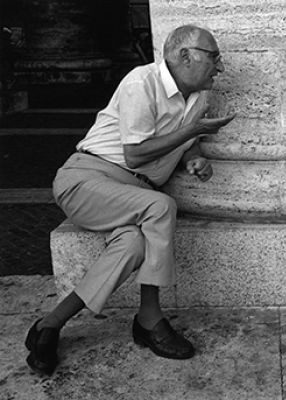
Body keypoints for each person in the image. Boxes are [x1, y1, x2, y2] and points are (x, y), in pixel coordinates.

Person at [25, 25, 235, 375]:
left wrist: (194, 157)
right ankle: (150, 318)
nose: (220, 67)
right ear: (185, 55)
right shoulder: (142, 82)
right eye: (214, 58)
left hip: (131, 194)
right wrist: (194, 131)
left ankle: (49, 325)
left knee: (134, 246)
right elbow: (136, 155)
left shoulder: (197, 98)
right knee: (161, 205)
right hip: (86, 179)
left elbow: (182, 143)